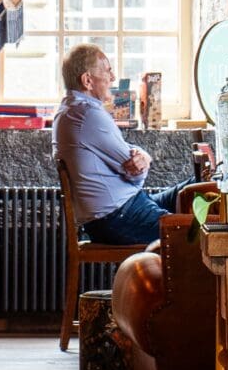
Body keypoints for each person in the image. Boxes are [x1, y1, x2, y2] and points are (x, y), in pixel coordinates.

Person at [53, 43, 181, 248]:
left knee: (188, 189)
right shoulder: (88, 115)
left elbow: (128, 153)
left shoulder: (72, 110)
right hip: (120, 218)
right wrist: (143, 160)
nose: (113, 77)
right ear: (87, 80)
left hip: (121, 211)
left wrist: (143, 156)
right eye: (107, 70)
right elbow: (135, 173)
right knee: (193, 234)